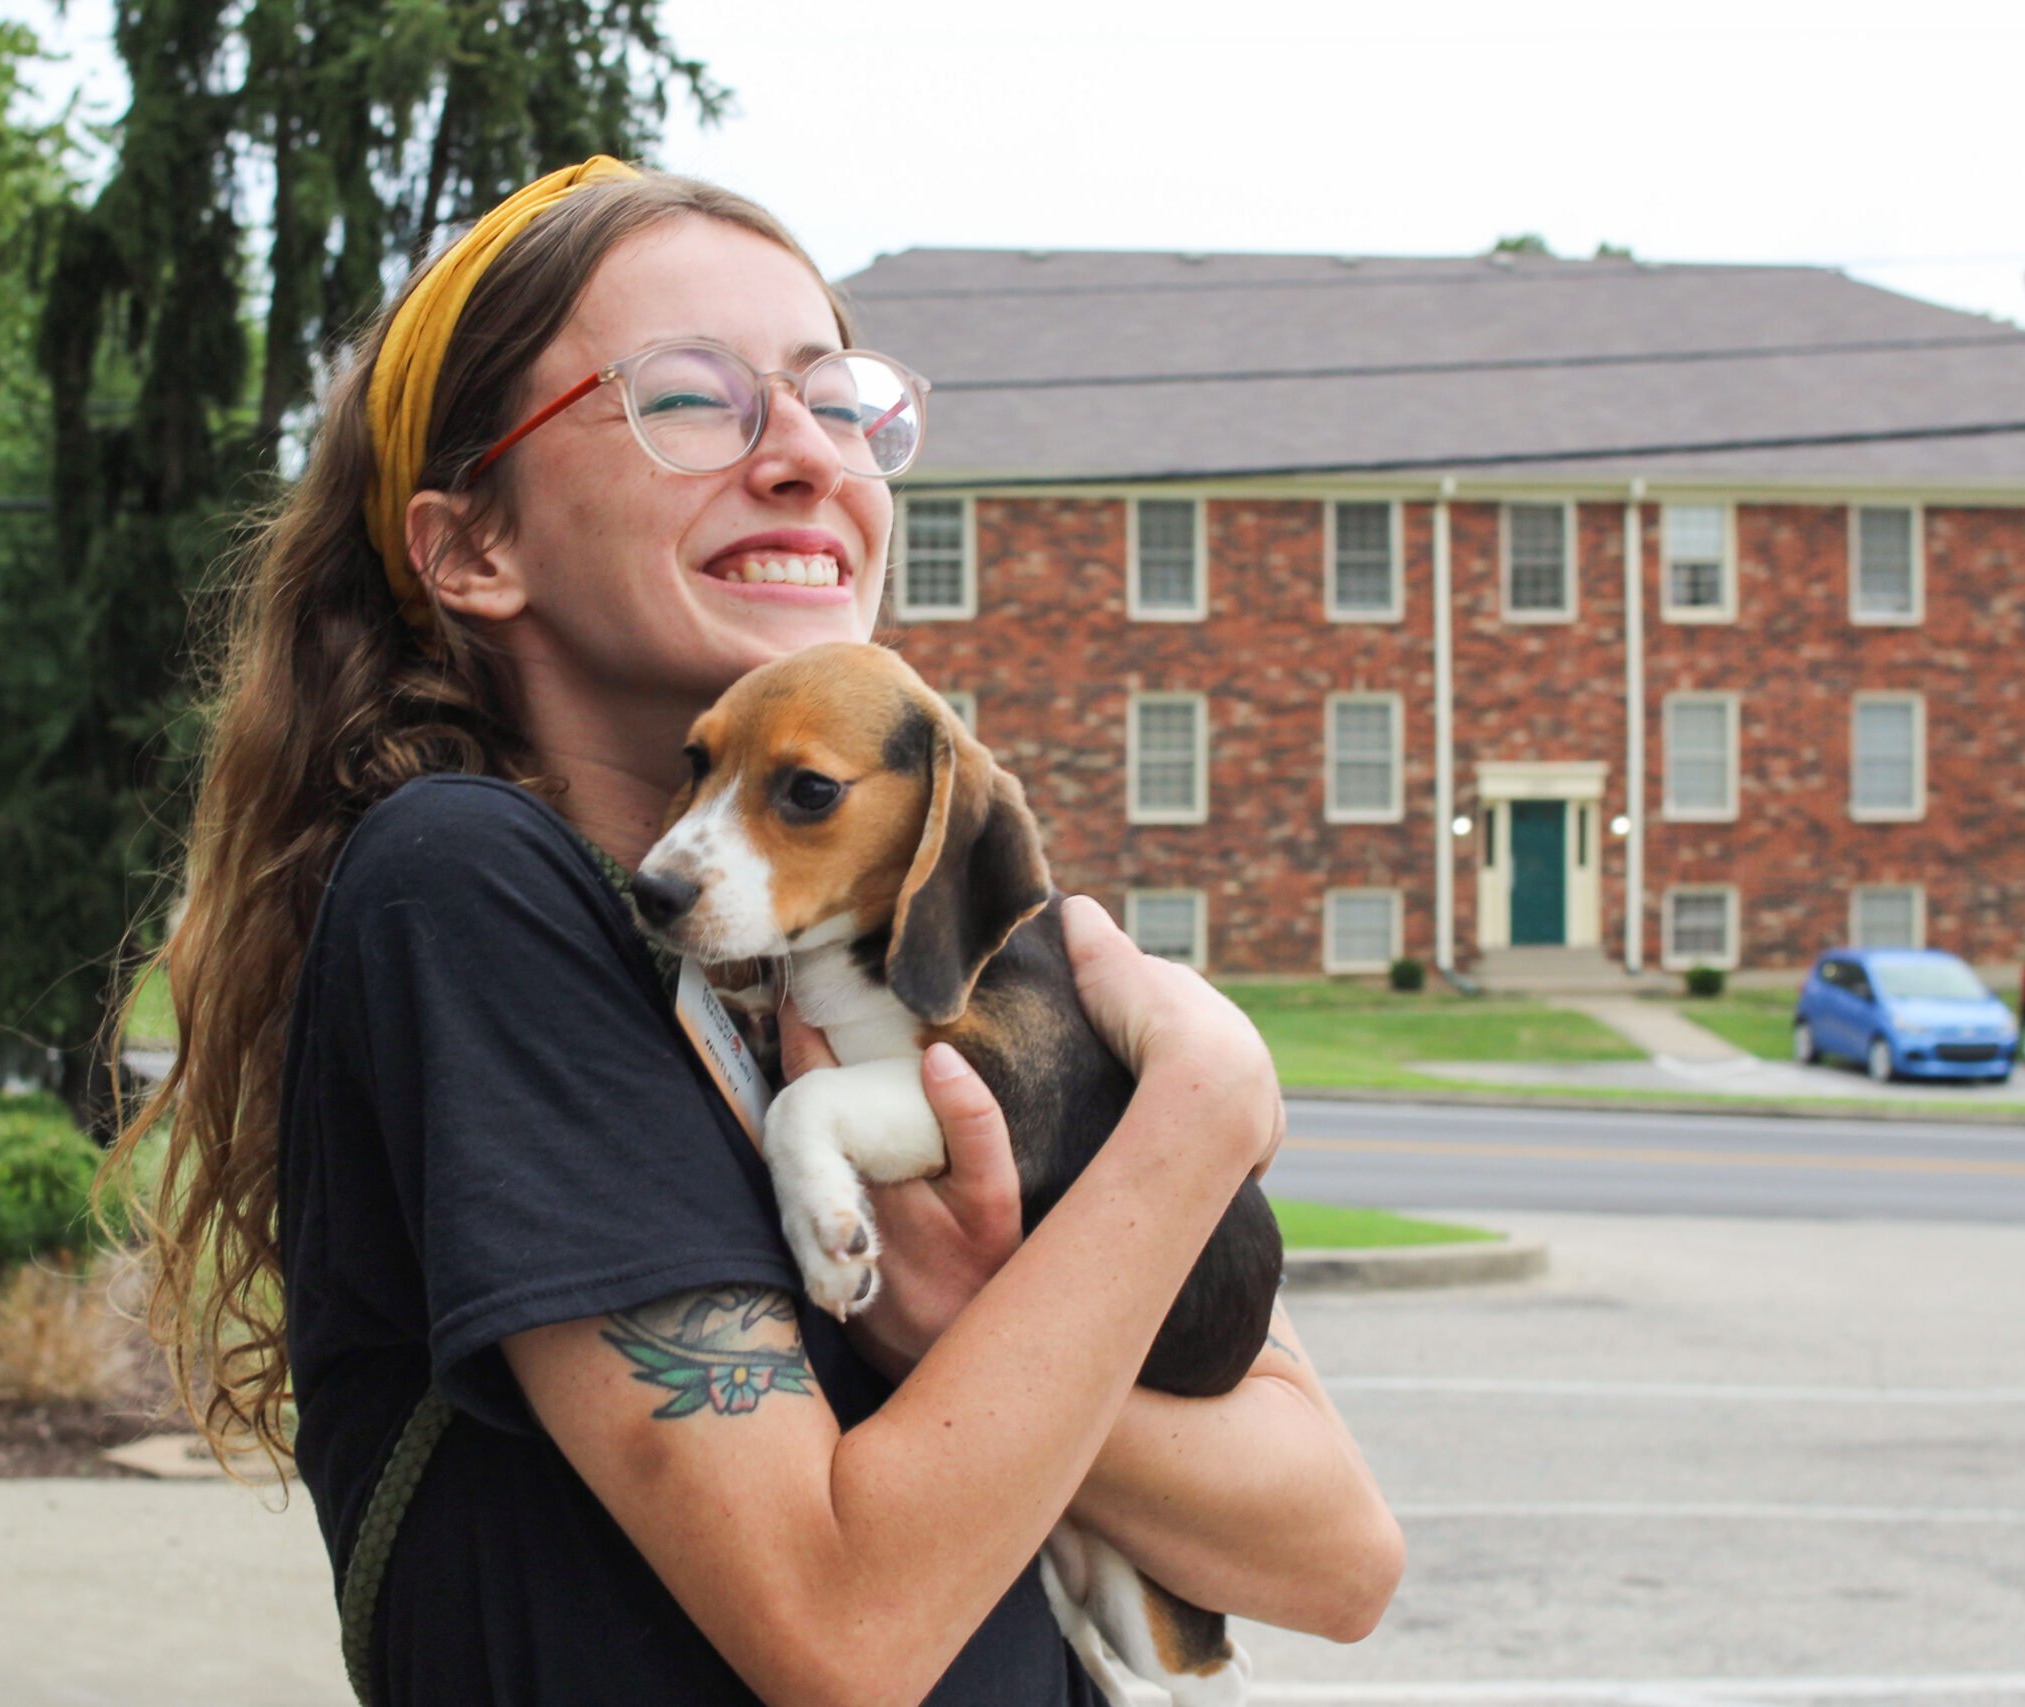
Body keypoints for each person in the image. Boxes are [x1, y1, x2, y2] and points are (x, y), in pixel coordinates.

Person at [107, 157, 1403, 1705]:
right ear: (474, 550)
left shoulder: (879, 958)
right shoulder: (466, 890)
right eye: (690, 398)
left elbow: (1337, 1556)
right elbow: (844, 1631)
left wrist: (957, 1326)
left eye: (838, 403)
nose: (805, 457)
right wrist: (1200, 1114)